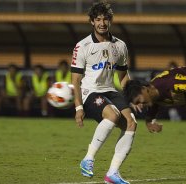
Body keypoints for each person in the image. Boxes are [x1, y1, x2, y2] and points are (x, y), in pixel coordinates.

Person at [70, 2, 137, 184]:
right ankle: (88, 158)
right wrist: (78, 108)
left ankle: (112, 174)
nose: (102, 23)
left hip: (109, 90)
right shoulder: (82, 46)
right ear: (92, 22)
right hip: (89, 92)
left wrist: (133, 97)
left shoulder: (120, 46)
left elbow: (123, 76)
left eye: (105, 19)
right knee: (112, 115)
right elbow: (75, 80)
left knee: (131, 123)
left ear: (110, 21)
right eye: (98, 19)